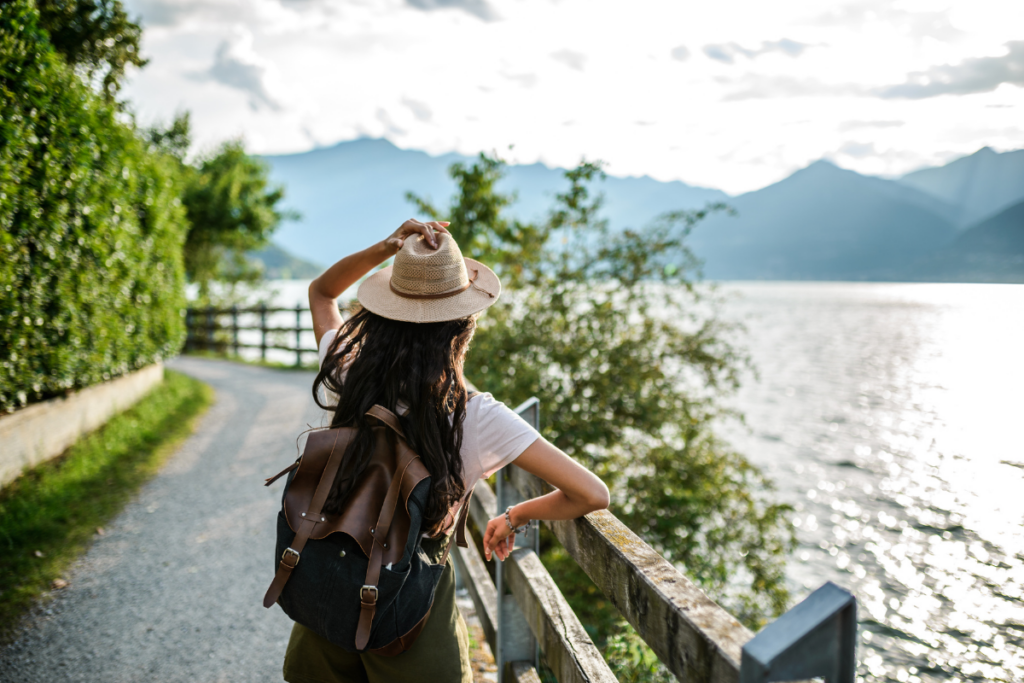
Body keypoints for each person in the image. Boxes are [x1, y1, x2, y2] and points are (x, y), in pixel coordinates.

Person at [281, 219, 610, 683]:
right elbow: (590, 493)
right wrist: (513, 516)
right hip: (410, 608)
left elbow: (321, 292)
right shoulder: (478, 416)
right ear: (463, 326)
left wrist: (388, 246)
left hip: (329, 589)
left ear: (380, 314)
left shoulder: (349, 372)